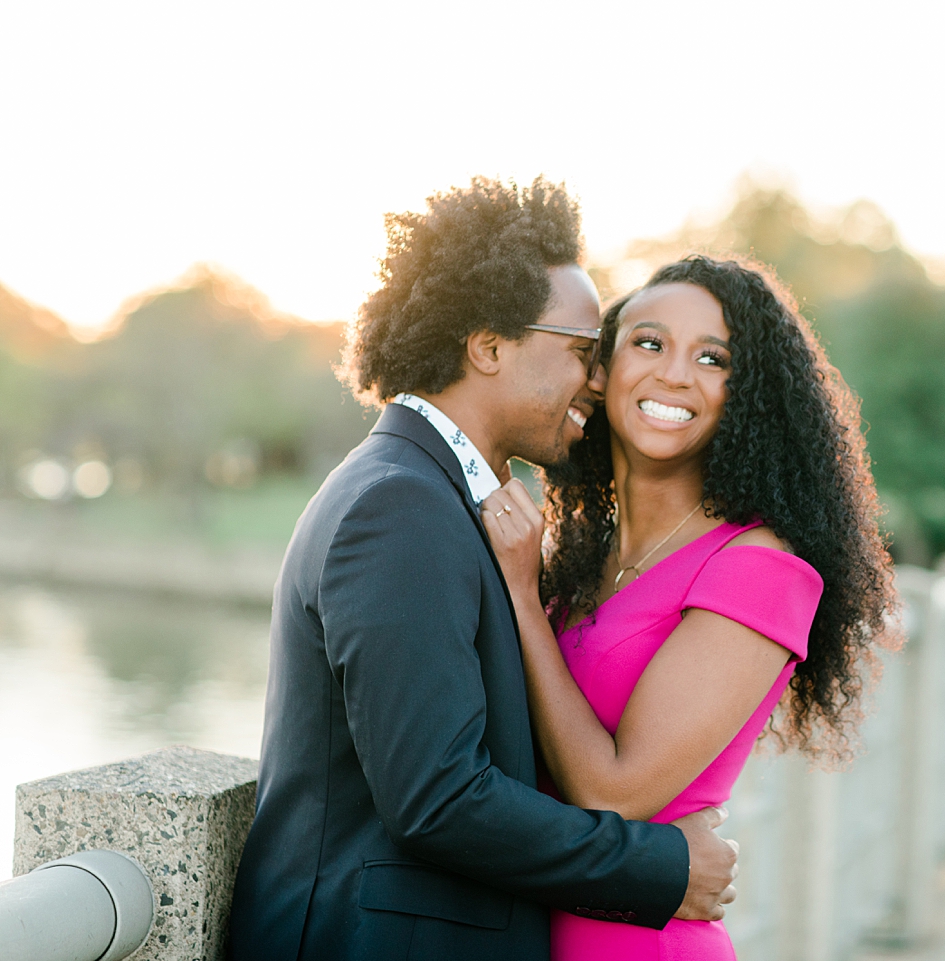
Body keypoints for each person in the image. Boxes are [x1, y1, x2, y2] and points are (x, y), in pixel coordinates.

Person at [227, 179, 738, 961]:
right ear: (489, 345)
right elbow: (437, 796)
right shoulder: (399, 506)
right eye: (579, 351)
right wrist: (662, 866)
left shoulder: (444, 498)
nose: (598, 381)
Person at [482, 255, 898, 960]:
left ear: (746, 396)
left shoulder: (760, 569)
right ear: (602, 369)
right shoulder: (579, 559)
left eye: (712, 358)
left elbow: (610, 793)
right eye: (648, 342)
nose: (673, 373)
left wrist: (521, 599)